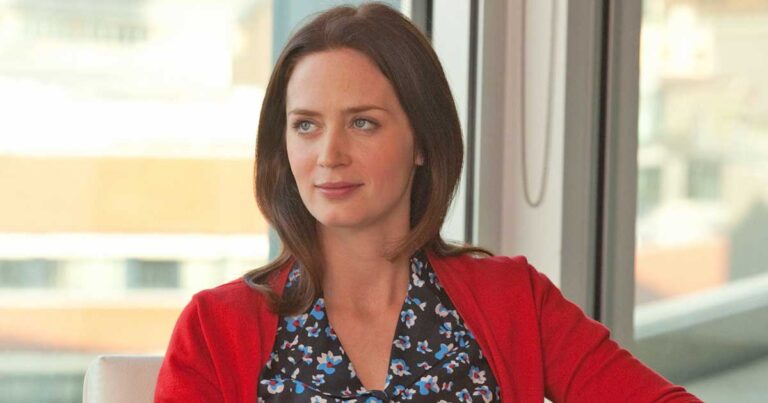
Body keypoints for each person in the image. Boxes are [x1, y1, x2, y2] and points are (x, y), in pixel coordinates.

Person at [155, 3, 701, 402]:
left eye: (362, 123)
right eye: (306, 125)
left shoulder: (514, 299)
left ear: (422, 141)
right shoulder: (215, 327)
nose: (329, 155)